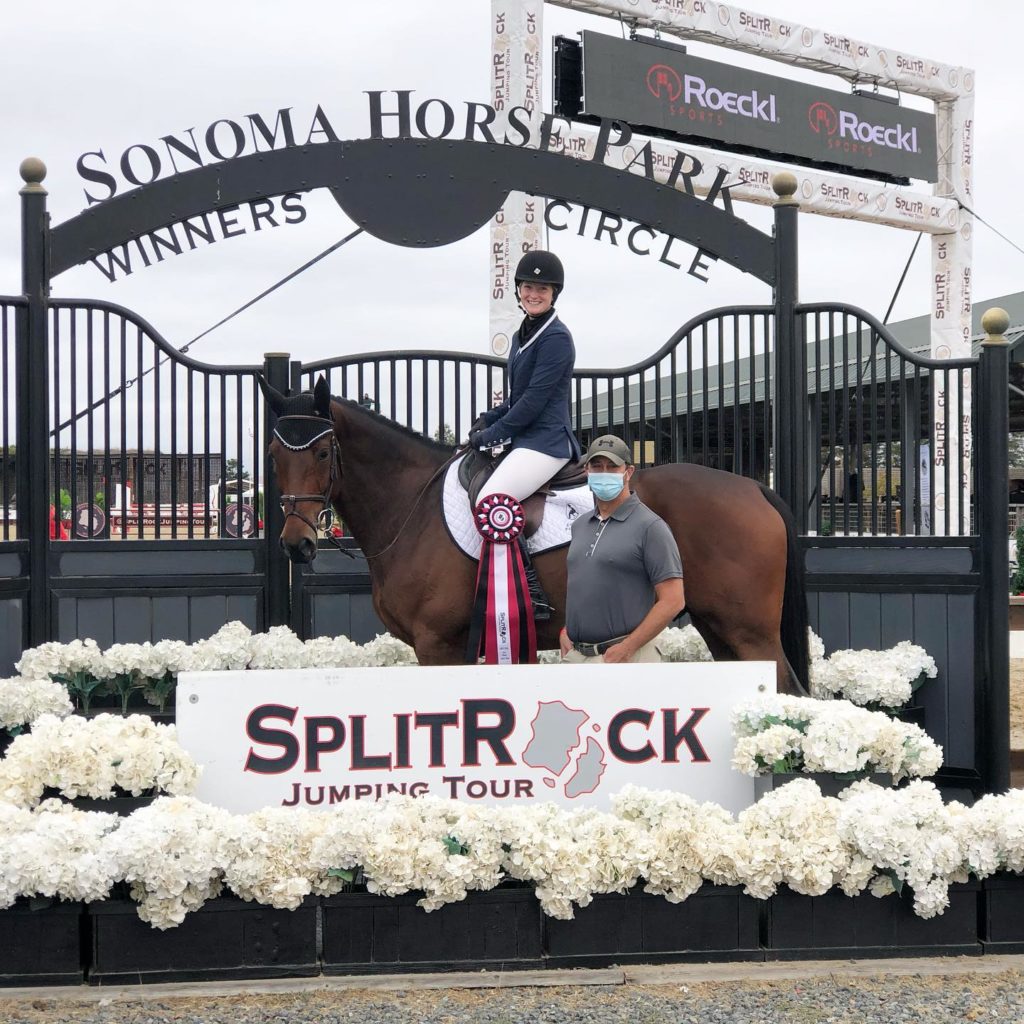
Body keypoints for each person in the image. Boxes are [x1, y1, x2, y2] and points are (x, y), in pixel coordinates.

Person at [469, 250, 581, 619]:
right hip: (526, 441)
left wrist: (492, 435)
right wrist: (489, 418)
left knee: (492, 498)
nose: (534, 294)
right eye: (528, 287)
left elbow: (533, 402)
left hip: (547, 443)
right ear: (518, 289)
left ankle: (530, 591)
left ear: (554, 294)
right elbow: (517, 397)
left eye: (542, 289)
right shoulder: (522, 335)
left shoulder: (557, 339)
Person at [560, 435, 685, 664]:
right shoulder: (580, 525)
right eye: (597, 466)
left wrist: (628, 647)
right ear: (586, 471)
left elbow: (673, 600)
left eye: (612, 467)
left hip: (627, 657)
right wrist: (567, 630)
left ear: (628, 472)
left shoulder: (650, 526)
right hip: (579, 656)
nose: (603, 472)